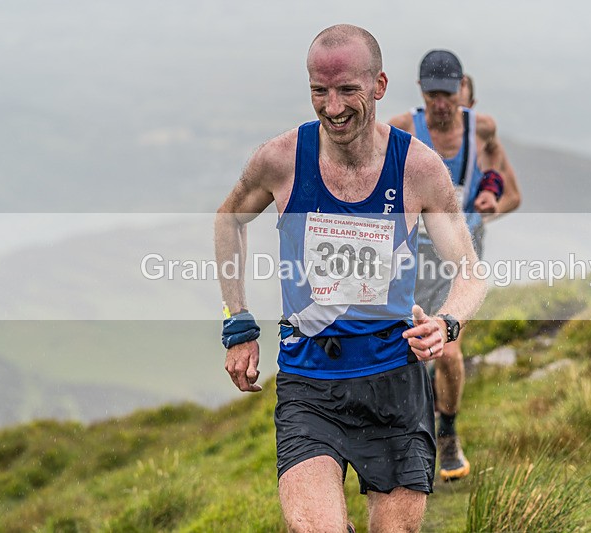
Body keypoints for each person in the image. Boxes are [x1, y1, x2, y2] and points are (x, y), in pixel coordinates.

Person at [215, 26, 486, 532]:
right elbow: (229, 218)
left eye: (348, 91)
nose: (333, 107)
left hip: (394, 385)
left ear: (379, 85)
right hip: (310, 385)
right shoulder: (282, 159)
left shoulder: (418, 169)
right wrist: (238, 323)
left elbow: (470, 273)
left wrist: (447, 323)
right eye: (320, 90)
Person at [389, 51, 520, 482]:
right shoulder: (402, 128)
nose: (440, 105)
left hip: (461, 254)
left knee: (446, 346)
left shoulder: (481, 128)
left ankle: (447, 435)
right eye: (432, 96)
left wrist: (489, 199)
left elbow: (501, 181)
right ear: (421, 92)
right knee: (404, 345)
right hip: (413, 251)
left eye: (447, 95)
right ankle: (410, 435)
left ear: (461, 90)